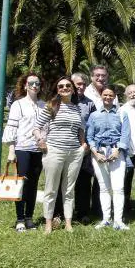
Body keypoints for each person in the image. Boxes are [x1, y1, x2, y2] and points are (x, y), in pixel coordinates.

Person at [35, 76, 87, 234]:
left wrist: (83, 145)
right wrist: (40, 140)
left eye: (67, 85)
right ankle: (48, 224)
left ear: (73, 88)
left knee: (69, 190)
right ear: (57, 90)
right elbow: (36, 127)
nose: (64, 88)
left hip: (74, 153)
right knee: (51, 189)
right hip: (54, 151)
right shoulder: (52, 106)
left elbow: (80, 129)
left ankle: (69, 223)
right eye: (61, 86)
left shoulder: (77, 108)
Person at [3, 73, 46, 231]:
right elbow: (12, 128)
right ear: (25, 85)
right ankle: (19, 219)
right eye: (31, 83)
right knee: (21, 183)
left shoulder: (44, 105)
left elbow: (46, 128)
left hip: (38, 150)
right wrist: (11, 151)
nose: (35, 86)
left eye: (37, 83)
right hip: (22, 148)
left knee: (33, 185)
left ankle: (29, 218)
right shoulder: (18, 105)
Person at [87, 86, 131, 230]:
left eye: (110, 95)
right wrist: (95, 152)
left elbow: (125, 134)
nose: (107, 97)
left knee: (118, 188)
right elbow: (89, 136)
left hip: (116, 152)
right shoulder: (94, 115)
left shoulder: (121, 114)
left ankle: (118, 220)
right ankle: (106, 219)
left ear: (114, 97)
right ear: (101, 97)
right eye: (105, 95)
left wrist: (118, 151)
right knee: (104, 188)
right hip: (99, 152)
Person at [69, 72, 99, 224]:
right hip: (66, 146)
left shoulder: (90, 103)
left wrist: (89, 144)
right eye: (78, 84)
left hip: (84, 148)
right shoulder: (63, 101)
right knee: (65, 181)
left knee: (84, 181)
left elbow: (92, 125)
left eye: (83, 84)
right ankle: (61, 213)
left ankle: (82, 213)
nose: (80, 87)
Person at [119, 84, 135, 216]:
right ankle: (125, 205)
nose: (133, 95)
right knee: (125, 179)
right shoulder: (122, 110)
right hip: (127, 150)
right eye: (130, 93)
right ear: (126, 95)